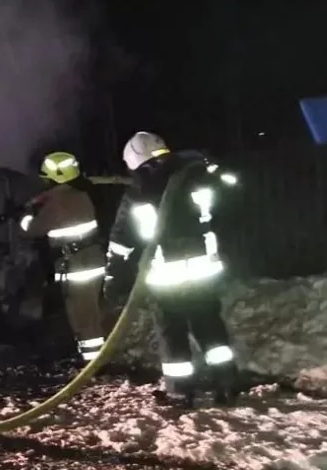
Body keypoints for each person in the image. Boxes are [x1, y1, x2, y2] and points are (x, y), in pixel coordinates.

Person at [103, 131, 240, 408]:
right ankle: (227, 384)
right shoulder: (198, 178)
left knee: (173, 335)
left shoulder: (139, 192)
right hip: (205, 273)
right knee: (210, 327)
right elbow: (226, 208)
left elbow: (122, 241)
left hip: (168, 279)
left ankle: (180, 393)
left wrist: (113, 278)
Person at [15, 151, 110, 364]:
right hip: (93, 261)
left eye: (46, 176)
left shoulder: (56, 203)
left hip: (77, 268)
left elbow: (31, 230)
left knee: (82, 316)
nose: (44, 180)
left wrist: (27, 214)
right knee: (91, 312)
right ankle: (96, 359)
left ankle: (93, 364)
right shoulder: (80, 195)